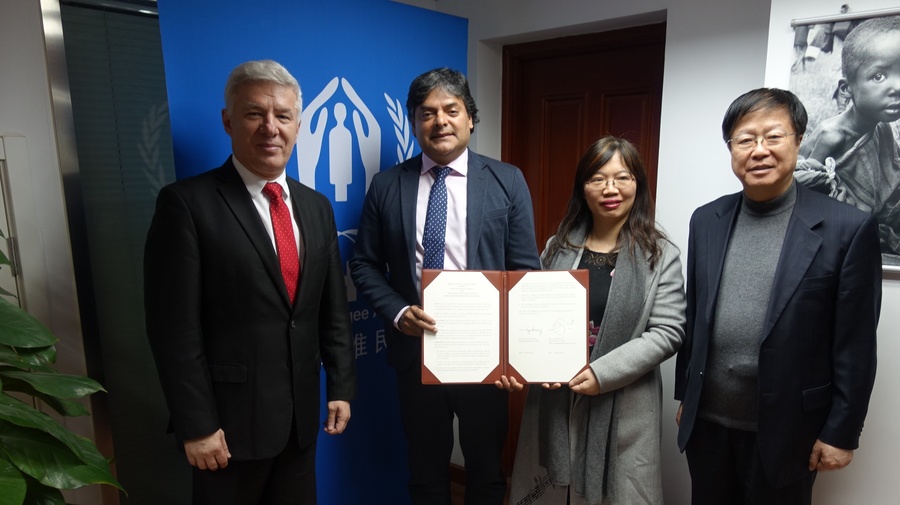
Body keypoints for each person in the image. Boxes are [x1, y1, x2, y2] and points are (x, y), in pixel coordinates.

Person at [144, 59, 357, 504]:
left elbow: (330, 308)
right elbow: (173, 330)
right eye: (254, 114)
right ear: (228, 121)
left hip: (300, 421)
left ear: (298, 125)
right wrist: (197, 425)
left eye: (283, 116)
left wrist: (340, 386)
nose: (270, 128)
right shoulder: (187, 204)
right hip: (227, 429)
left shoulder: (316, 207)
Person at [675, 88, 881, 505]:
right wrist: (686, 396)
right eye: (745, 139)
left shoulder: (848, 227)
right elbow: (695, 317)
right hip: (708, 426)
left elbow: (856, 346)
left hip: (789, 432)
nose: (759, 150)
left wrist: (841, 432)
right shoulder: (707, 219)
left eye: (773, 136)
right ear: (731, 148)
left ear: (799, 140)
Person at [349, 67, 541, 504]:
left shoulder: (507, 180)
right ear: (414, 122)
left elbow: (525, 272)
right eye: (427, 113)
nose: (440, 122)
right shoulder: (387, 185)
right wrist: (399, 312)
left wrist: (516, 353)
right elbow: (364, 264)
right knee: (425, 472)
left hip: (486, 357)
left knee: (486, 472)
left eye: (451, 110)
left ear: (470, 117)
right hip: (417, 351)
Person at [497, 136, 686, 505]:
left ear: (638, 185)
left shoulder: (660, 254)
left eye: (622, 177)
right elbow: (533, 315)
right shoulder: (558, 247)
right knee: (551, 492)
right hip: (555, 397)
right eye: (597, 178)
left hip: (625, 402)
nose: (610, 189)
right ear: (582, 187)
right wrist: (525, 362)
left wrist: (602, 374)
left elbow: (668, 331)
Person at [794, 15, 900, 254]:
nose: (897, 87)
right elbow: (805, 187)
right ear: (846, 89)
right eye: (879, 76)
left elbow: (892, 174)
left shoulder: (882, 127)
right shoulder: (832, 136)